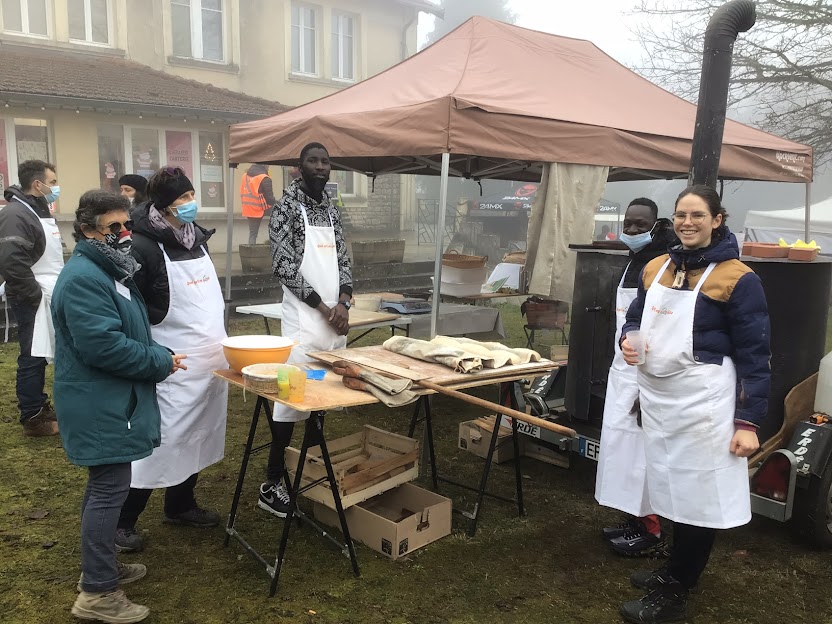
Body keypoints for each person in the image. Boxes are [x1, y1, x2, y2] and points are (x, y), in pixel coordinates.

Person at [617, 185, 770, 624]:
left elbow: (756, 356)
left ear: (717, 219)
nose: (687, 223)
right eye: (681, 215)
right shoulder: (656, 267)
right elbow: (635, 317)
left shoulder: (738, 278)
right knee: (669, 485)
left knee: (698, 495)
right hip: (663, 399)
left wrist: (748, 422)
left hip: (706, 403)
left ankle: (678, 589)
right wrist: (627, 337)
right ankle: (673, 568)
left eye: (698, 215)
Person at [52, 190, 187, 624]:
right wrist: (159, 362)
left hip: (109, 399)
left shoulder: (108, 269)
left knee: (106, 489)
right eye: (114, 227)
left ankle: (102, 567)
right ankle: (96, 593)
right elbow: (104, 347)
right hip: (99, 403)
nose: (125, 233)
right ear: (88, 229)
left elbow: (127, 329)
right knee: (108, 492)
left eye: (127, 224)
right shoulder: (84, 279)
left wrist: (158, 351)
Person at [114, 166, 228, 553]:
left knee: (198, 433)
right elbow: (132, 307)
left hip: (209, 358)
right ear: (162, 205)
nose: (190, 203)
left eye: (191, 195)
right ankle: (121, 521)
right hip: (172, 359)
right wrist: (148, 353)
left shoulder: (196, 238)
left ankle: (180, 504)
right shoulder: (143, 245)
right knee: (161, 440)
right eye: (183, 198)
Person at [261, 142, 352, 517]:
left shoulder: (331, 209)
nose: (320, 166)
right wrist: (323, 307)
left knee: (324, 396)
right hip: (304, 322)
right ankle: (272, 481)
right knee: (290, 402)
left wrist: (344, 303)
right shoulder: (285, 209)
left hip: (335, 324)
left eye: (325, 161)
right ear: (299, 167)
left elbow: (344, 257)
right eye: (313, 161)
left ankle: (310, 470)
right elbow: (284, 266)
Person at [595, 198, 677, 557]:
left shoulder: (664, 264)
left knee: (645, 453)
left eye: (639, 225)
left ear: (656, 225)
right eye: (628, 223)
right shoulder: (633, 261)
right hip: (622, 369)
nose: (631, 231)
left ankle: (653, 528)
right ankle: (634, 516)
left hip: (648, 372)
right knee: (622, 446)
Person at [0, 160, 62, 437]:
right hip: (32, 296)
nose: (56, 187)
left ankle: (40, 405)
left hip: (47, 291)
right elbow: (12, 261)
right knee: (33, 354)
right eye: (53, 180)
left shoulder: (37, 209)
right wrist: (34, 295)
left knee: (42, 352)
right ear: (38, 184)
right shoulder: (16, 213)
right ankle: (33, 415)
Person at [240, 163, 276, 245]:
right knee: (279, 218)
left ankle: (251, 254)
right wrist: (278, 203)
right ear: (265, 166)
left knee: (253, 234)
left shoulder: (245, 176)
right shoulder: (264, 178)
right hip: (261, 207)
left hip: (248, 208)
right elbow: (270, 199)